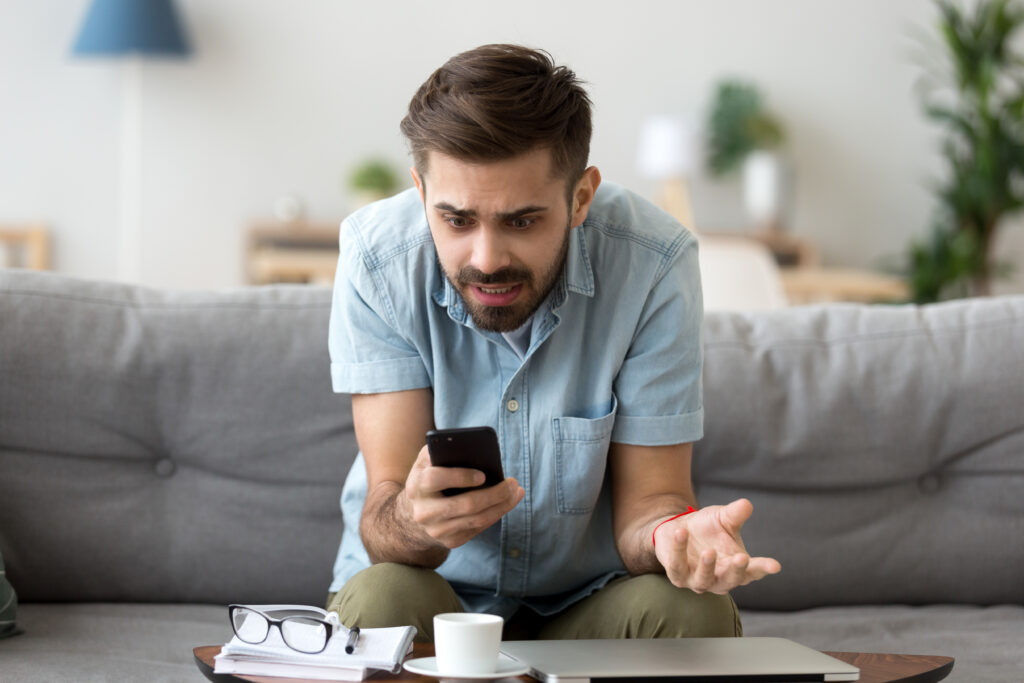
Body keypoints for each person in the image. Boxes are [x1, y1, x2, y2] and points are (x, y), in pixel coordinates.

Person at [325, 43, 780, 642]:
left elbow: (654, 500)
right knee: (385, 594)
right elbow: (382, 517)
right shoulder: (377, 261)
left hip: (588, 603)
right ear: (420, 192)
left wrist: (670, 536)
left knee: (693, 612)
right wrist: (415, 519)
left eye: (521, 221)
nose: (485, 260)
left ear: (581, 198)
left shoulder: (654, 264)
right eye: (457, 220)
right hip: (432, 596)